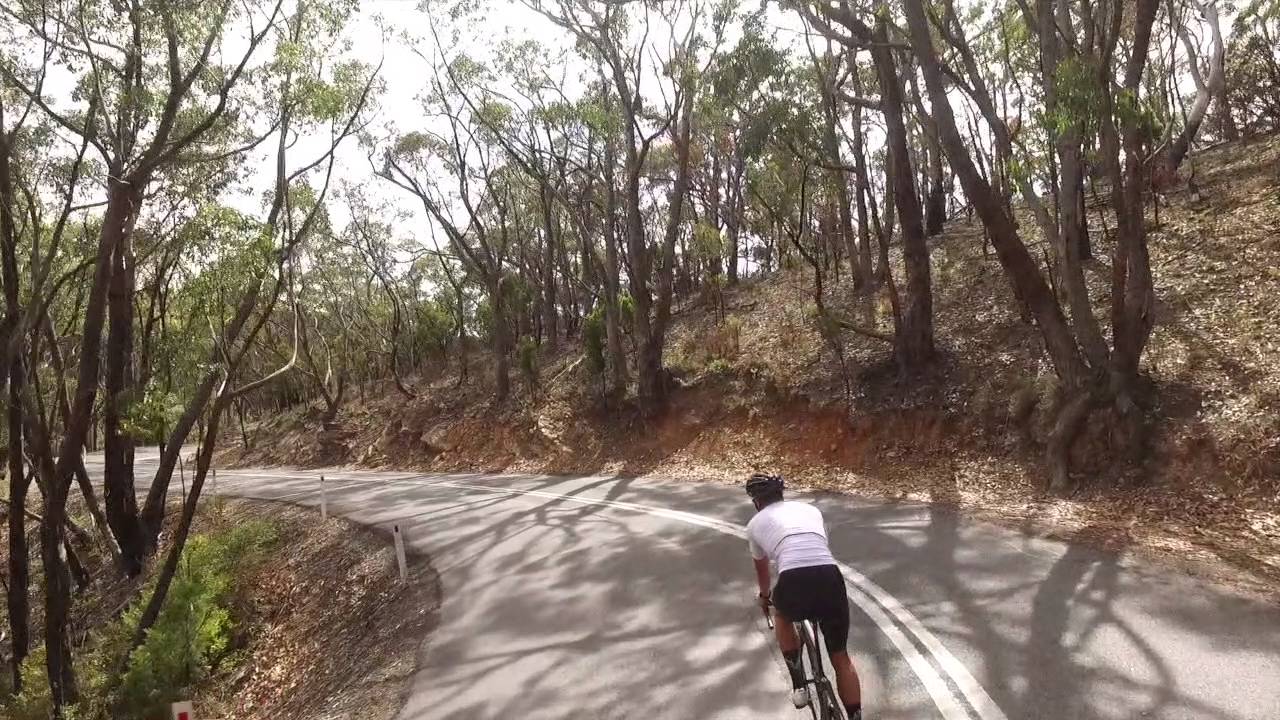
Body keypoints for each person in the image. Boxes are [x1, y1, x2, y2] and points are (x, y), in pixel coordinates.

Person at [746, 472, 862, 720]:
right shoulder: (811, 511)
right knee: (841, 657)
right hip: (830, 575)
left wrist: (765, 598)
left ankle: (799, 684)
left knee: (783, 616)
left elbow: (763, 573)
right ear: (781, 494)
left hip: (794, 578)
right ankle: (855, 715)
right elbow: (818, 546)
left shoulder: (755, 524)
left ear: (756, 502)